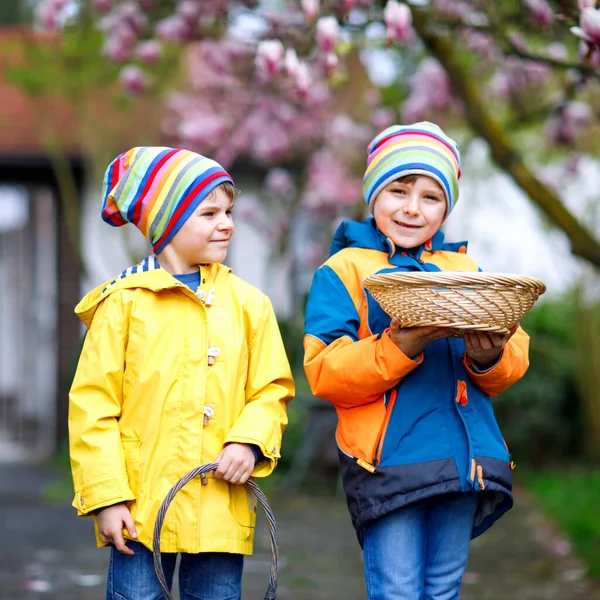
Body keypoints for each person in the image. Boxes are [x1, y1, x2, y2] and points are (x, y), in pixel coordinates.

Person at [303, 122, 530, 600]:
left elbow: (509, 363)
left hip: (463, 460)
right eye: (398, 190)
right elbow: (325, 373)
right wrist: (399, 346)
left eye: (431, 196)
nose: (412, 207)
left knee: (443, 589)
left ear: (447, 207)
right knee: (398, 591)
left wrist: (489, 360)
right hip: (390, 464)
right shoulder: (344, 270)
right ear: (373, 195)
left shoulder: (466, 270)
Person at [69, 147, 294, 600]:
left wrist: (249, 441)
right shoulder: (123, 305)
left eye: (228, 210)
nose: (227, 222)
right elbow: (93, 406)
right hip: (140, 511)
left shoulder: (250, 306)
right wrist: (108, 497)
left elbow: (271, 389)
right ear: (166, 221)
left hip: (219, 509)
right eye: (209, 212)